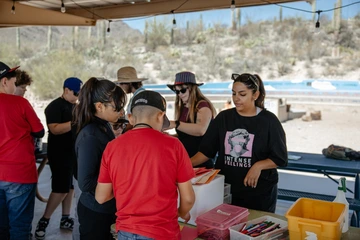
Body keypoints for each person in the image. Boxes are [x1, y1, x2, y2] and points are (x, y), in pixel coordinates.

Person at [95, 90, 195, 240]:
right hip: (163, 232)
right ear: (161, 116)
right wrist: (181, 212)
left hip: (126, 232)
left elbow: (101, 197)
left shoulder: (112, 147)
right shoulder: (173, 145)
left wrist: (129, 189)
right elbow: (188, 199)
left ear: (130, 118)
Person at [191, 73, 287, 213]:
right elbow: (206, 152)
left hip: (259, 193)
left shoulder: (269, 121)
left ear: (255, 95)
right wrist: (183, 165)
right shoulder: (224, 118)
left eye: (242, 94)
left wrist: (258, 166)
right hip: (227, 189)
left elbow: (281, 158)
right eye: (234, 93)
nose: (236, 98)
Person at [73, 78, 127, 240]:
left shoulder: (104, 127)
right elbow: (86, 183)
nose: (121, 112)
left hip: (107, 208)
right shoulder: (90, 135)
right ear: (99, 106)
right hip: (96, 212)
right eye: (117, 107)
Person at [0, 62, 44, 240]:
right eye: (13, 82)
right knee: (19, 227)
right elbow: (39, 131)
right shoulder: (20, 103)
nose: (14, 86)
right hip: (20, 174)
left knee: (1, 227)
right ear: (4, 82)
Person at [35, 77, 83, 240]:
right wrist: (76, 121)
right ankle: (44, 221)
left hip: (72, 152)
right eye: (76, 93)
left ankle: (65, 217)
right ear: (66, 90)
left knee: (69, 187)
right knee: (60, 188)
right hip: (59, 153)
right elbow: (54, 129)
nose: (77, 96)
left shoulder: (75, 107)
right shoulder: (54, 107)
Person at [166, 71, 216, 168]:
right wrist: (171, 136)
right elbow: (187, 136)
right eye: (177, 91)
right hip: (187, 159)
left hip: (201, 162)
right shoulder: (183, 108)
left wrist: (175, 124)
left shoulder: (202, 106)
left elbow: (200, 130)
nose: (179, 94)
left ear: (192, 88)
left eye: (183, 90)